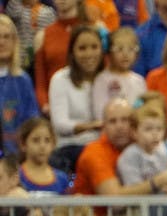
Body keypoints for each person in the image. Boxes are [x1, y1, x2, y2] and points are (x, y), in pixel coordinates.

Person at [48, 24, 104, 174]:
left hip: (104, 147)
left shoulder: (107, 79)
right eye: (82, 48)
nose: (89, 54)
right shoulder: (60, 79)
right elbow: (60, 124)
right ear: (72, 52)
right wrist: (93, 126)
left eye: (94, 47)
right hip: (70, 148)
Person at [34, 0, 88, 115]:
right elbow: (40, 83)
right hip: (55, 109)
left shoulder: (94, 31)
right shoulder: (42, 36)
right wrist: (45, 105)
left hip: (87, 106)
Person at [0, 15, 39, 158]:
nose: (2, 42)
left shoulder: (23, 80)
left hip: (18, 156)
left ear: (14, 42)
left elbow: (32, 121)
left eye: (6, 37)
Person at [92, 26, 147, 118]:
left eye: (131, 49)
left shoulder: (139, 80)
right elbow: (99, 113)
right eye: (119, 49)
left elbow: (144, 110)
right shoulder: (102, 80)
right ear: (109, 52)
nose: (125, 54)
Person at [18, 119, 72, 194]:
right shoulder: (16, 177)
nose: (42, 146)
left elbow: (66, 205)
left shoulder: (62, 179)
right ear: (23, 144)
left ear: (53, 144)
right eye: (35, 140)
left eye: (47, 140)